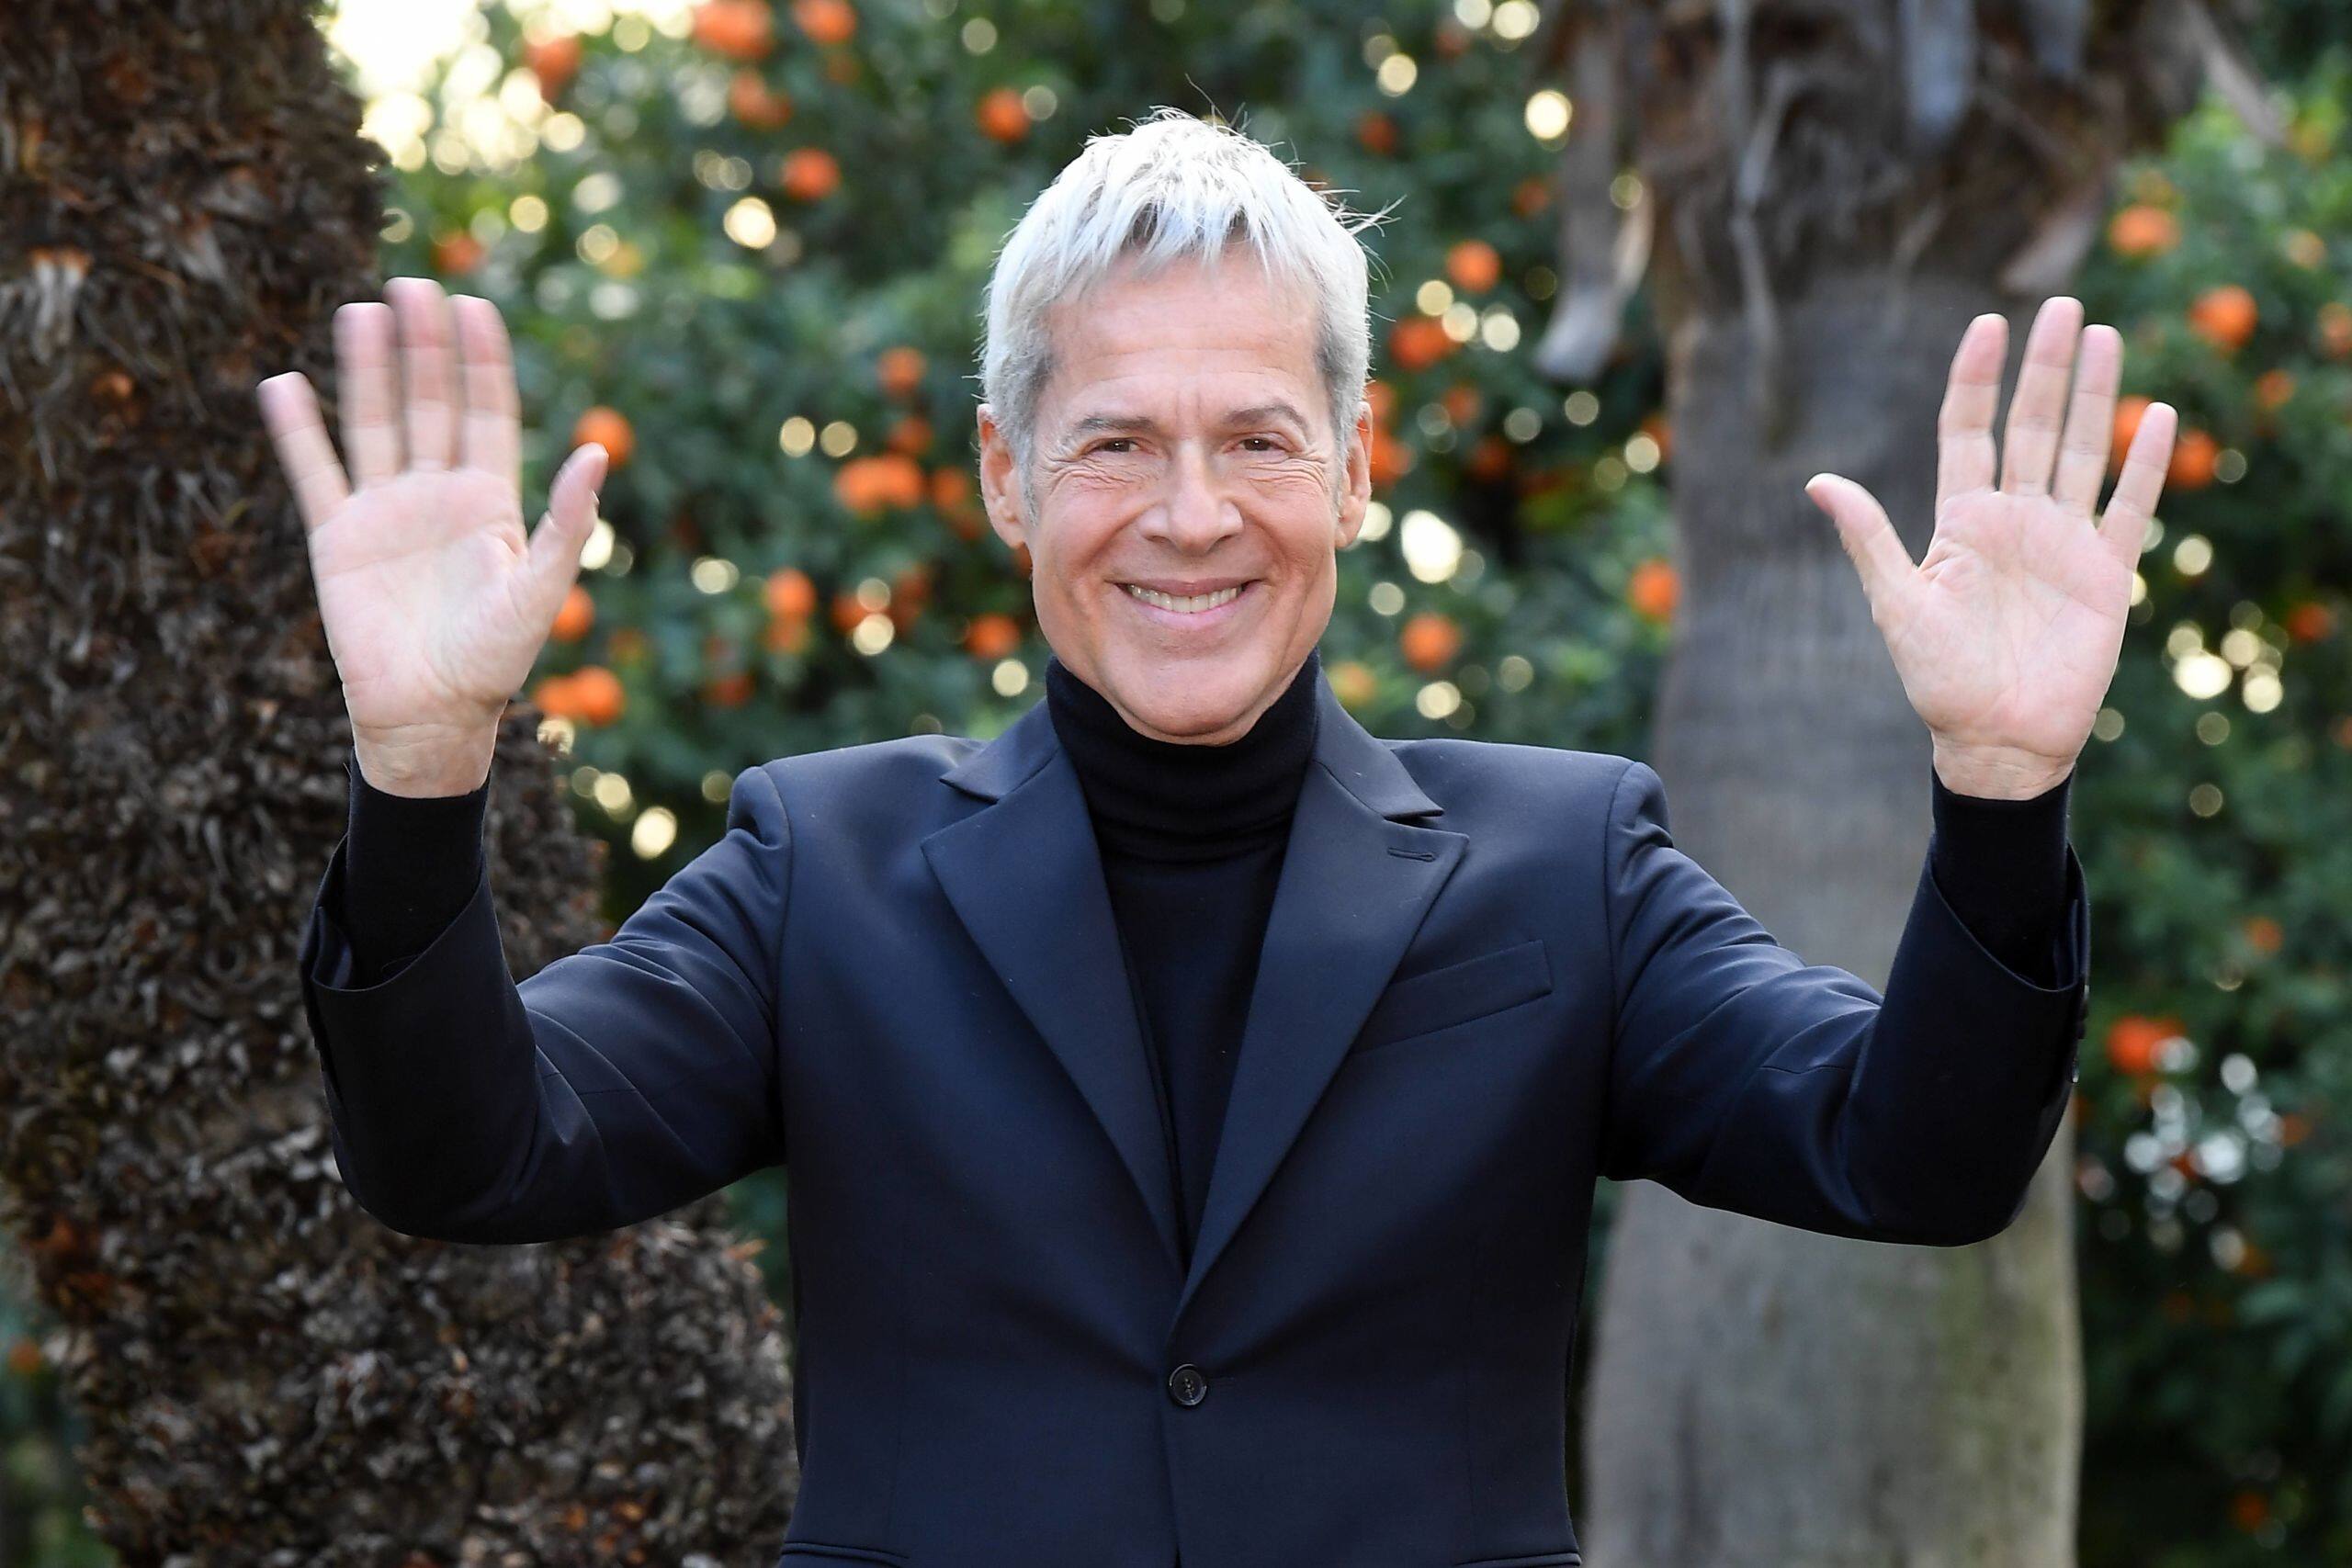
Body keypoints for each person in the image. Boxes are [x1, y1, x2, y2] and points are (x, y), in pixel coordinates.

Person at [256, 107, 2173, 1568]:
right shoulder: (817, 864)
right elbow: (471, 1153)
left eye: (1256, 437)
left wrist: (2001, 792)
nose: (1191, 514)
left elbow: (1910, 1154)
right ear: (1008, 475)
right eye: (1114, 441)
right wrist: (418, 772)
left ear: (1353, 468)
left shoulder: (1566, 863)